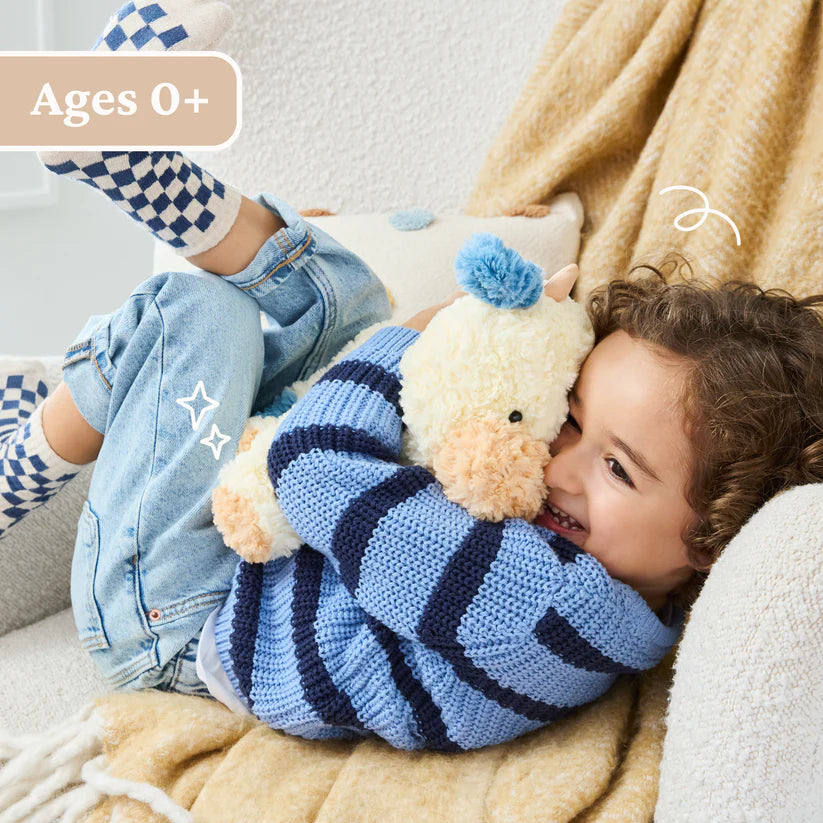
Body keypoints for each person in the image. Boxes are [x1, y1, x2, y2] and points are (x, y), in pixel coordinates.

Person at [2, 0, 823, 750]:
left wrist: (409, 339)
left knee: (195, 315)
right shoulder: (615, 602)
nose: (554, 462)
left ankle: (23, 458)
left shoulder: (540, 603)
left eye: (616, 467)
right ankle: (120, 154)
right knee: (351, 295)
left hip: (178, 608)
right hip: (256, 554)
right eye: (569, 417)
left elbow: (312, 468)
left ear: (711, 538)